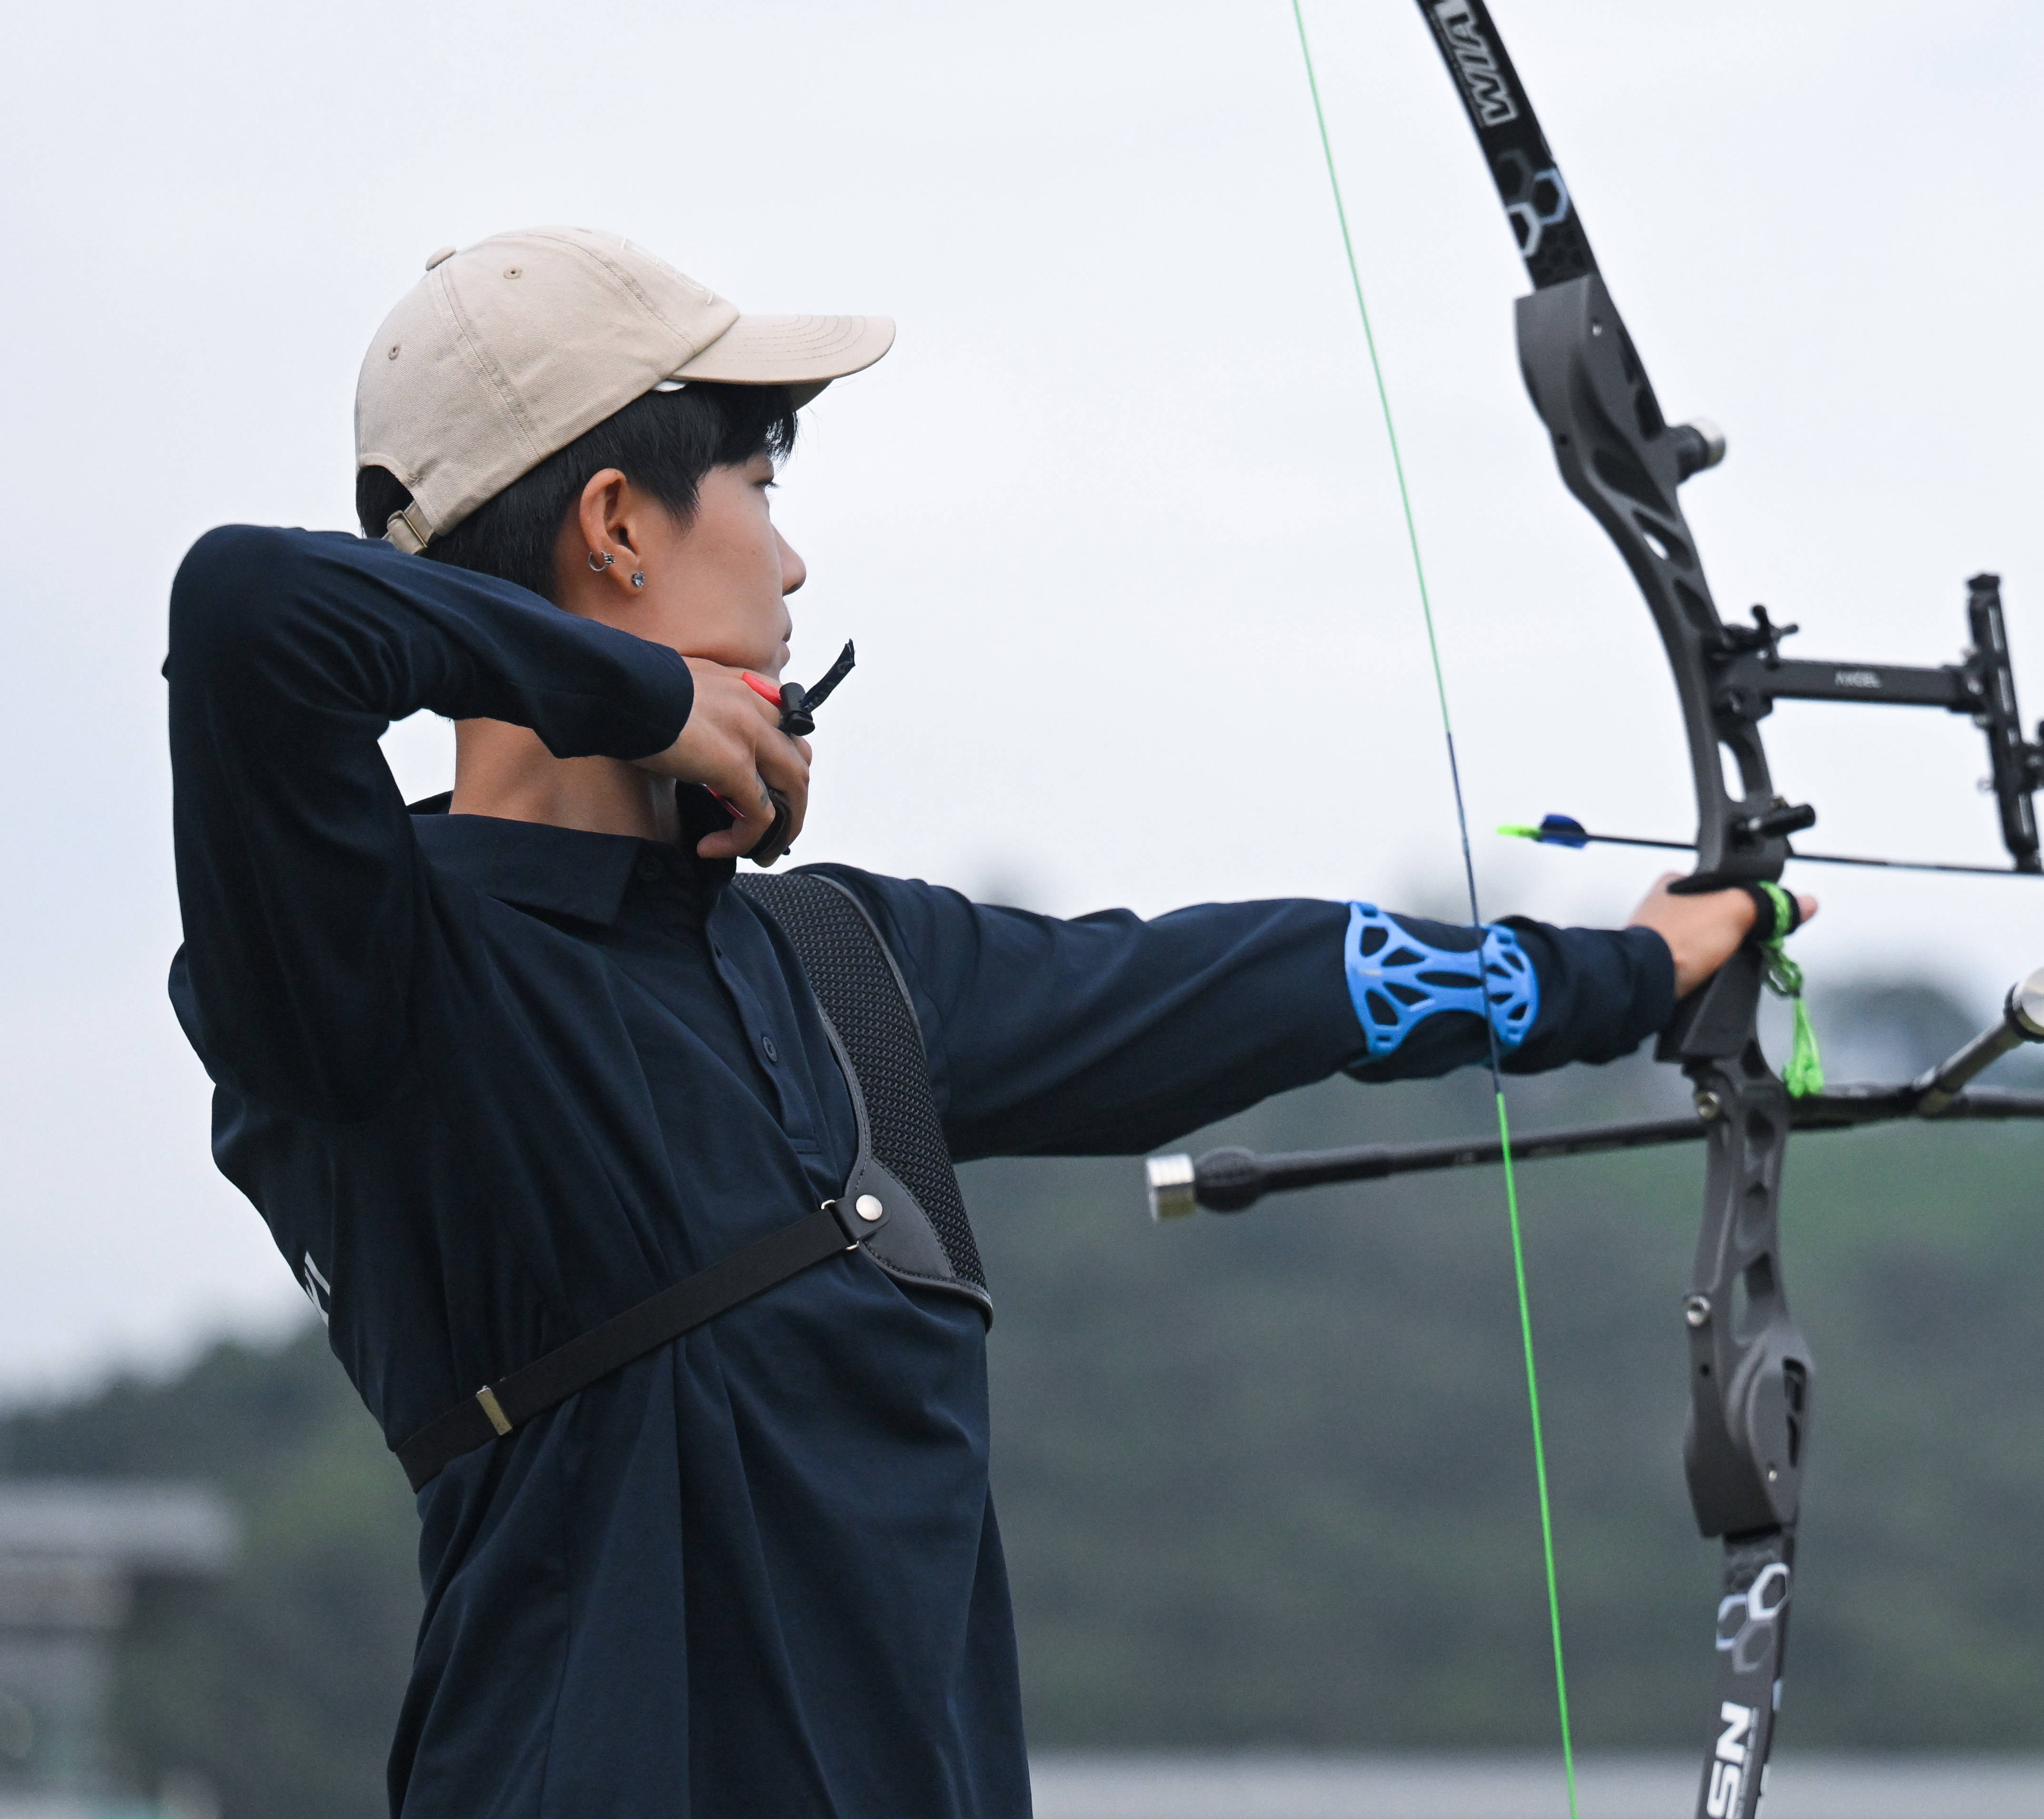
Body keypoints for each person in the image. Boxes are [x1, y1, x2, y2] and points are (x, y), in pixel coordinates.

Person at [164, 226, 1794, 1818]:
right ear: (617, 522)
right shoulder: (371, 955)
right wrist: (647, 696)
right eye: (762, 485)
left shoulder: (836, 961)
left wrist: (1626, 979)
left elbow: (1253, 982)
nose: (793, 560)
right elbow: (251, 613)